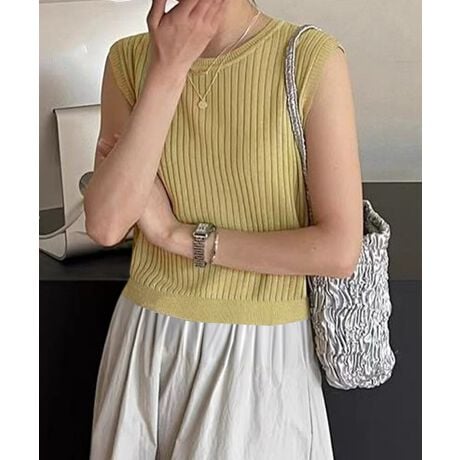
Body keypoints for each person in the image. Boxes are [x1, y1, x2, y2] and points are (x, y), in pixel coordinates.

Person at [86, 0, 363, 458]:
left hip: (260, 355)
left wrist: (178, 236)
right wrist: (168, 71)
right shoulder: (129, 59)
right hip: (147, 342)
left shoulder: (310, 58)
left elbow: (338, 249)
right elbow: (106, 223)